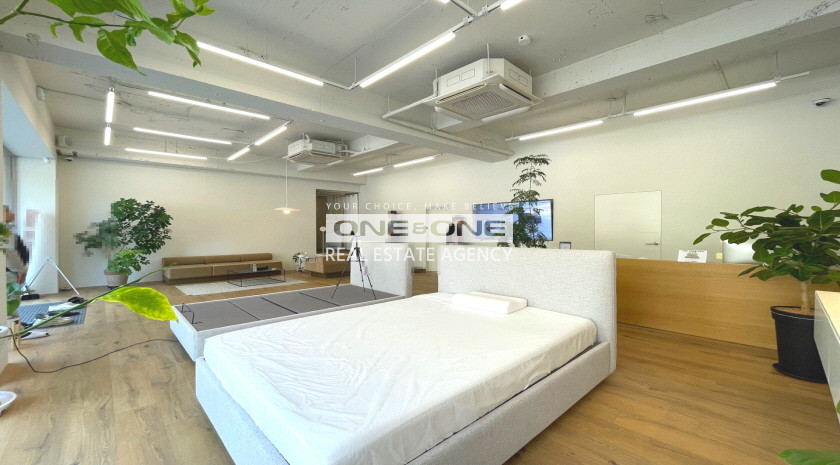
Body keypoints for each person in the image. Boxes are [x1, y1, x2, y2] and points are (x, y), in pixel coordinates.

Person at [4, 205, 28, 285]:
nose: (12, 214)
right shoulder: (5, 232)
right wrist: (22, 270)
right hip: (9, 273)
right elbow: (10, 253)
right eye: (8, 211)